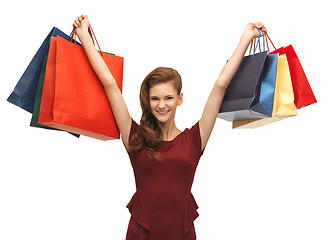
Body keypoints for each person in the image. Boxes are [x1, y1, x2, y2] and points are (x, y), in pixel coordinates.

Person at [73, 15, 266, 240]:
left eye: (168, 98)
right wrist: (84, 36)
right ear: (148, 100)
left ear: (179, 99)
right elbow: (109, 83)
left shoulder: (195, 139)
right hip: (141, 234)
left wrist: (245, 37)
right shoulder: (134, 137)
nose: (161, 105)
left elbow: (221, 84)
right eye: (155, 99)